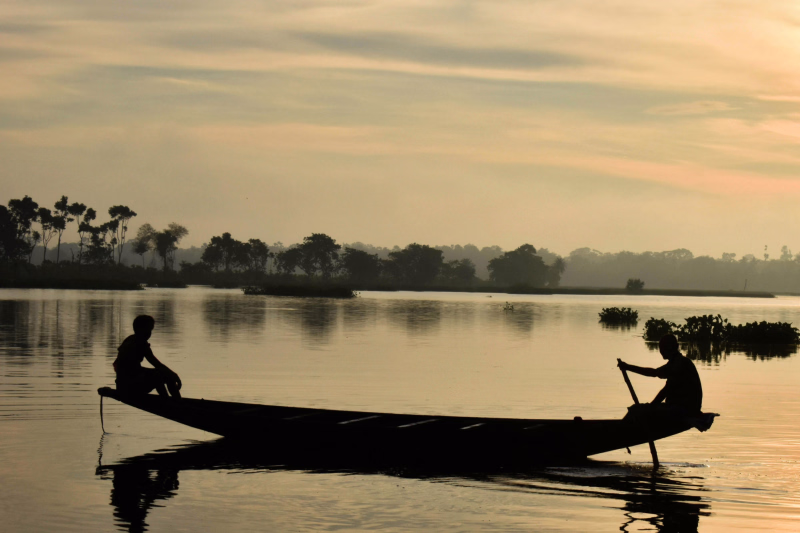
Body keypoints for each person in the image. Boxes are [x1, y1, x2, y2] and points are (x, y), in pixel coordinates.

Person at [617, 334, 702, 415]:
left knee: (636, 410)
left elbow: (665, 390)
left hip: (685, 409)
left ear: (672, 348)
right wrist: (628, 367)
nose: (661, 350)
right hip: (683, 407)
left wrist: (651, 407)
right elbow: (654, 373)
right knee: (637, 409)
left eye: (663, 347)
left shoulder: (679, 364)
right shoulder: (676, 362)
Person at [114, 315, 182, 399]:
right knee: (159, 375)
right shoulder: (139, 343)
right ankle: (168, 402)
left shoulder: (130, 339)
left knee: (163, 373)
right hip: (128, 386)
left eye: (150, 330)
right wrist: (174, 375)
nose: (149, 333)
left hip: (126, 383)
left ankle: (176, 401)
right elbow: (156, 364)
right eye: (148, 329)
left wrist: (171, 374)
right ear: (140, 329)